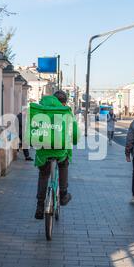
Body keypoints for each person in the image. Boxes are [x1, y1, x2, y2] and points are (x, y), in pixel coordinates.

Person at [32, 91, 80, 220]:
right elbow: (74, 134)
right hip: (60, 150)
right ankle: (63, 194)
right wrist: (74, 140)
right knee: (63, 164)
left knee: (43, 174)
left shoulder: (41, 109)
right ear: (63, 102)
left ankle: (40, 206)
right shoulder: (66, 112)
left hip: (43, 149)